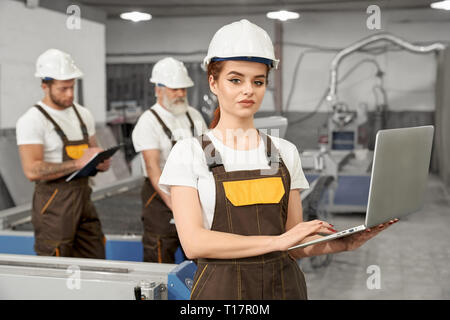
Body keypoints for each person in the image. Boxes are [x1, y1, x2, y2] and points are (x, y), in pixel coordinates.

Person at [158, 20, 398, 300]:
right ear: (213, 82)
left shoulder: (281, 151)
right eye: (235, 79)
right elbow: (194, 243)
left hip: (284, 289)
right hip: (221, 292)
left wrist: (340, 244)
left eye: (258, 81)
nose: (248, 90)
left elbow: (294, 245)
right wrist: (277, 242)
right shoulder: (192, 153)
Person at [16, 48, 110, 259]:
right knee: (56, 262)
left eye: (72, 87)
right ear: (44, 85)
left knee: (95, 257)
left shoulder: (82, 114)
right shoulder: (32, 120)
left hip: (84, 198)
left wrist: (100, 162)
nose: (69, 94)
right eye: (63, 88)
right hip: (53, 206)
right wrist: (77, 164)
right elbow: (32, 170)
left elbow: (92, 151)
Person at [132, 57, 207, 263]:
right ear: (159, 89)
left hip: (194, 194)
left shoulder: (194, 116)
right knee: (159, 251)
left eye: (183, 89)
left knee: (199, 256)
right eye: (175, 89)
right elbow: (153, 167)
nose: (181, 94)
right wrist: (175, 205)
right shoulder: (148, 122)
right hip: (161, 199)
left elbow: (210, 155)